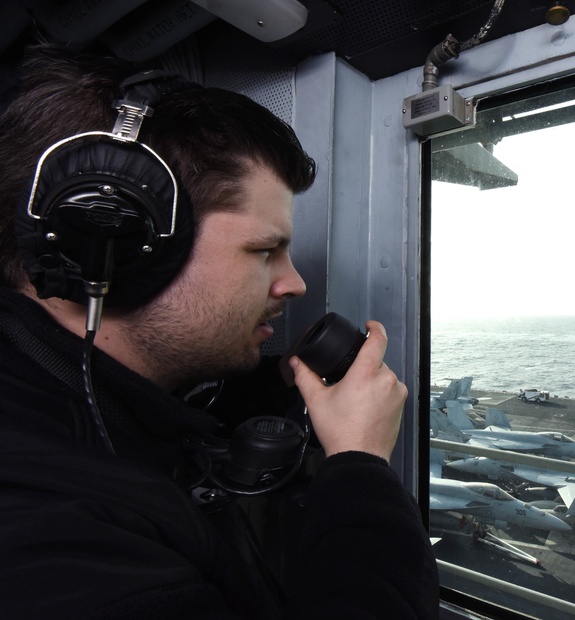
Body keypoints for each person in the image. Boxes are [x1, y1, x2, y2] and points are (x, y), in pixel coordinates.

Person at [0, 43, 439, 618]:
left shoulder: (51, 385)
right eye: (265, 251)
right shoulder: (47, 534)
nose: (294, 284)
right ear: (117, 246)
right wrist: (360, 464)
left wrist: (273, 389)